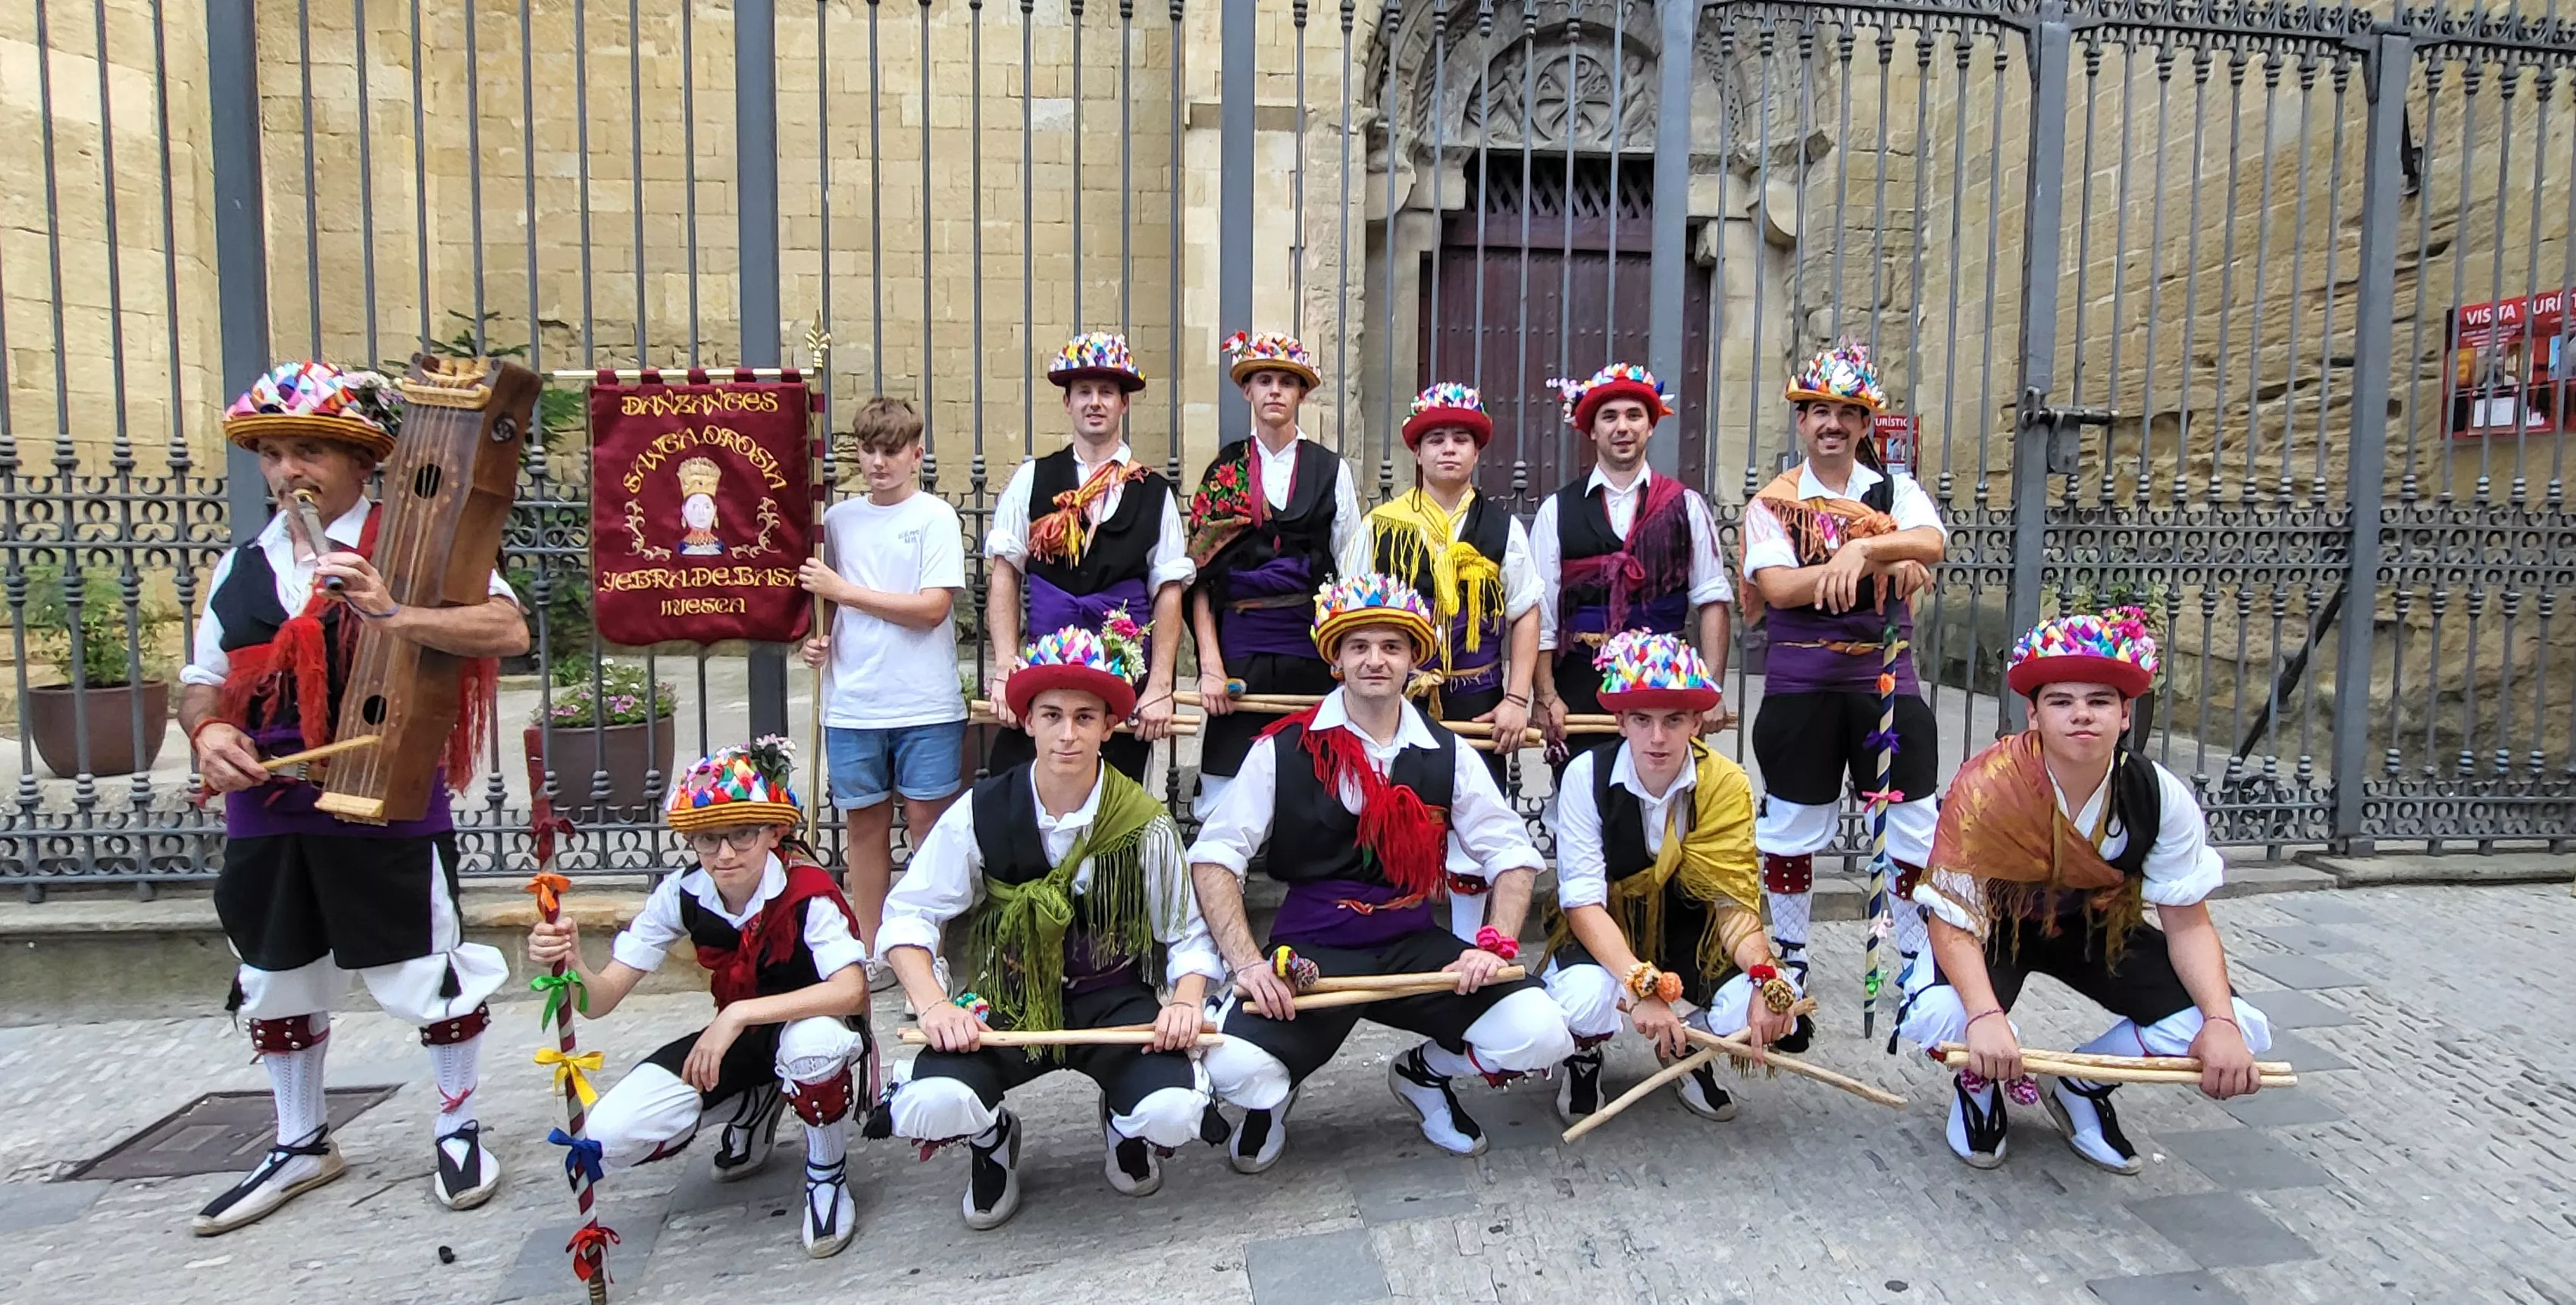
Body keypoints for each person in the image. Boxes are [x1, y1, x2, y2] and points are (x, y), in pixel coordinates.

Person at [180, 361, 528, 1235]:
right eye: (273, 455)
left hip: (386, 784)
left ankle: (457, 1129)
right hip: (268, 802)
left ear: (360, 462)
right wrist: (206, 732)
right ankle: (302, 1142)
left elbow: (507, 628)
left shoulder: (418, 539)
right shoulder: (243, 564)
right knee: (275, 972)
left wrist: (395, 613)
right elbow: (200, 678)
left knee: (423, 965)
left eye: (308, 453)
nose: (288, 472)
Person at [1191, 574, 1576, 1167]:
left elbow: (1513, 854)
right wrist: (1247, 963)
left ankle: (1423, 1073)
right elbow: (1216, 856)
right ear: (1335, 660)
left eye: (1391, 647)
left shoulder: (1448, 754)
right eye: (1359, 647)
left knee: (1541, 1030)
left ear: (1412, 661)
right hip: (1313, 953)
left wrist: (1493, 944)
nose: (1375, 660)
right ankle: (1273, 1094)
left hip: (1411, 944)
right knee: (1234, 1067)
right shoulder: (1280, 748)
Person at [1895, 611, 2272, 1173]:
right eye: (2060, 701)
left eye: (2098, 702)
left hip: (2094, 924)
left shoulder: (2157, 795)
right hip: (1993, 927)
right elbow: (1951, 918)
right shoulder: (1987, 788)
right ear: (2032, 714)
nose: (2080, 715)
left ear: (2124, 716)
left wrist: (2218, 1023)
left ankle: (2080, 1085)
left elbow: (2186, 920)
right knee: (1945, 1013)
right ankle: (1979, 1086)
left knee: (2226, 1026)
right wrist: (1983, 1017)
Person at [880, 621, 1219, 1229]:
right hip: (1009, 995)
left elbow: (1187, 933)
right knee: (930, 1101)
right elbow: (909, 914)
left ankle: (1125, 1121)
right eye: (1052, 715)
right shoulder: (981, 809)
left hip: (1112, 999)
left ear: (1109, 727)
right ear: (1027, 720)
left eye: (1085, 717)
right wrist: (933, 1006)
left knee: (1173, 1109)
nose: (1067, 734)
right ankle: (992, 1141)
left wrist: (1186, 1004)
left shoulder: (1145, 822)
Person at [525, 740, 874, 1256]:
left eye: (742, 835)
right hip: (739, 1040)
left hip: (806, 1025)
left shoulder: (808, 890)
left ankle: (826, 1172)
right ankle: (754, 1102)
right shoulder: (681, 893)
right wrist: (572, 962)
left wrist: (737, 1013)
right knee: (607, 1136)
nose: (726, 854)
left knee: (814, 1045)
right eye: (709, 839)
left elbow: (851, 992)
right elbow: (599, 1002)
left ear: (774, 832)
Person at [1741, 340, 1946, 993]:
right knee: (1794, 824)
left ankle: (1914, 960)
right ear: (1800, 422)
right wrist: (1872, 562)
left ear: (1864, 425)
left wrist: (1861, 554)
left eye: (1846, 413)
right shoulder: (1772, 502)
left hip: (1885, 678)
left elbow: (1931, 543)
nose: (1832, 424)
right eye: (1818, 411)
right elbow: (1776, 588)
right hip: (1801, 686)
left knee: (1911, 821)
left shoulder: (1895, 490)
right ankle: (1794, 954)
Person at [1541, 633, 1808, 1125]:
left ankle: (1688, 1049)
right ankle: (1583, 1053)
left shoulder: (1726, 783)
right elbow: (1582, 902)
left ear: (1696, 722)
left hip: (1689, 929)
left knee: (1767, 1004)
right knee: (1582, 999)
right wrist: (1642, 987)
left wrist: (1766, 978)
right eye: (1642, 720)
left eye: (1673, 720)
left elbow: (1732, 904)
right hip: (1608, 927)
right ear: (1619, 721)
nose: (1657, 738)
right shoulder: (1585, 775)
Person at [797, 396, 969, 967]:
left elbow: (931, 608)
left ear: (915, 453)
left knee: (929, 831)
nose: (879, 462)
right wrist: (815, 637)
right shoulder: (839, 521)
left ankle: (926, 951)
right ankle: (870, 950)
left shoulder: (934, 517)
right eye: (869, 450)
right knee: (864, 832)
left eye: (892, 451)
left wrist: (843, 592)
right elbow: (820, 608)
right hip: (853, 701)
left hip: (923, 699)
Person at [982, 333, 1194, 780]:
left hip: (1121, 684)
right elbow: (1005, 574)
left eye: (1106, 392)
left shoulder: (1155, 493)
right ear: (1067, 403)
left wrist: (1158, 686)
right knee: (1022, 790)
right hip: (1045, 674)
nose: (1094, 402)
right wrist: (1004, 667)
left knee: (1113, 805)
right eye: (1084, 392)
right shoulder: (1031, 480)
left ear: (1124, 405)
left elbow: (1168, 592)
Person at [1186, 330, 1362, 819]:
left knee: (1313, 773)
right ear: (1247, 390)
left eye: (1286, 382)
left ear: (1301, 393)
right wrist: (1211, 667)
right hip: (1239, 645)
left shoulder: (1330, 470)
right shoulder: (1226, 468)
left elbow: (1349, 569)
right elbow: (1199, 578)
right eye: (1263, 380)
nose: (1274, 391)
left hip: (1309, 646)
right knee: (1228, 781)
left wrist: (1345, 657)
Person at [1529, 364, 1732, 761]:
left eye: (1634, 415)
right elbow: (1542, 612)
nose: (1622, 427)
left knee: (1663, 801)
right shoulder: (1557, 510)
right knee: (1582, 795)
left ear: (1651, 426)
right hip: (1580, 683)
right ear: (1591, 429)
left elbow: (1712, 600)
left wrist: (1713, 689)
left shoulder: (1685, 506)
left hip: (1666, 684)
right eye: (1609, 417)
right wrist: (1546, 694)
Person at [1339, 383, 1541, 779]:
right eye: (1436, 439)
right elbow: (1350, 613)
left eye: (1460, 439)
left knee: (1475, 821)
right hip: (1394, 700)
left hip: (1480, 701)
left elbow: (1526, 613)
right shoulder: (1379, 526)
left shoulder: (1504, 529)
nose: (1448, 448)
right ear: (1417, 452)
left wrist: (1517, 699)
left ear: (1476, 450)